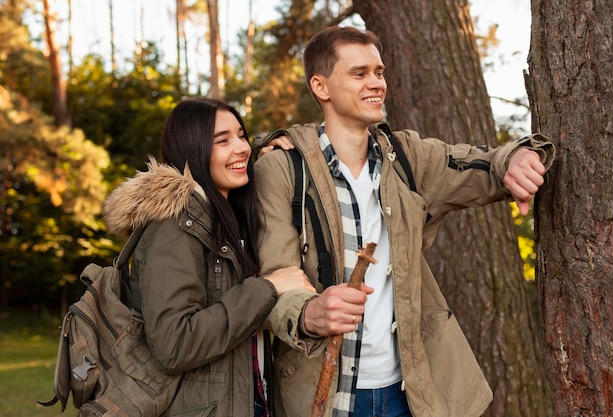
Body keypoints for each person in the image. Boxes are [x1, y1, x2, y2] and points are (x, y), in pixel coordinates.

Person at [254, 26, 555, 417]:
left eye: (379, 72)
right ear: (321, 86)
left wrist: (516, 160)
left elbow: (483, 164)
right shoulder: (283, 168)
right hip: (326, 394)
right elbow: (277, 273)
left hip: (409, 392)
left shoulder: (408, 157)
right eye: (359, 73)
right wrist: (309, 313)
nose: (376, 83)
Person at [102, 97, 315, 417]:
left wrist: (271, 159)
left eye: (241, 136)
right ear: (192, 148)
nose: (241, 147)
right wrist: (268, 287)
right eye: (223, 140)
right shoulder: (174, 226)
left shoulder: (224, 218)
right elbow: (174, 344)